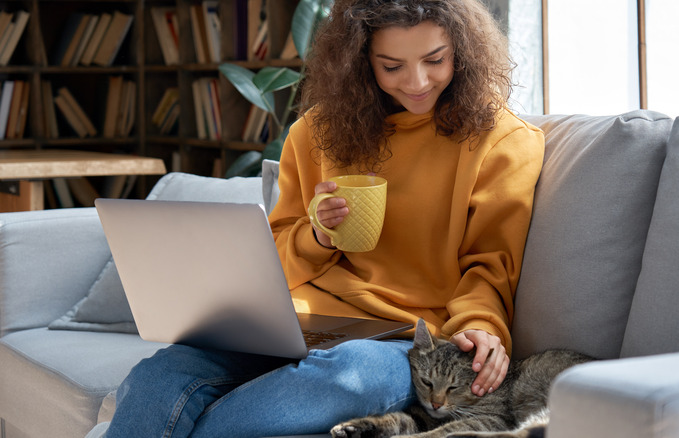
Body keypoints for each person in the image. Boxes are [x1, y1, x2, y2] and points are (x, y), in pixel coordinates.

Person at [90, 0, 544, 436]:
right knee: (161, 374)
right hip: (299, 320)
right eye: (392, 66)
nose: (417, 81)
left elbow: (491, 267)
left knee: (352, 377)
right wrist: (319, 237)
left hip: (406, 338)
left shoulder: (503, 142)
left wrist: (481, 329)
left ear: (463, 52)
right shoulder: (317, 131)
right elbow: (273, 258)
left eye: (435, 60)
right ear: (360, 59)